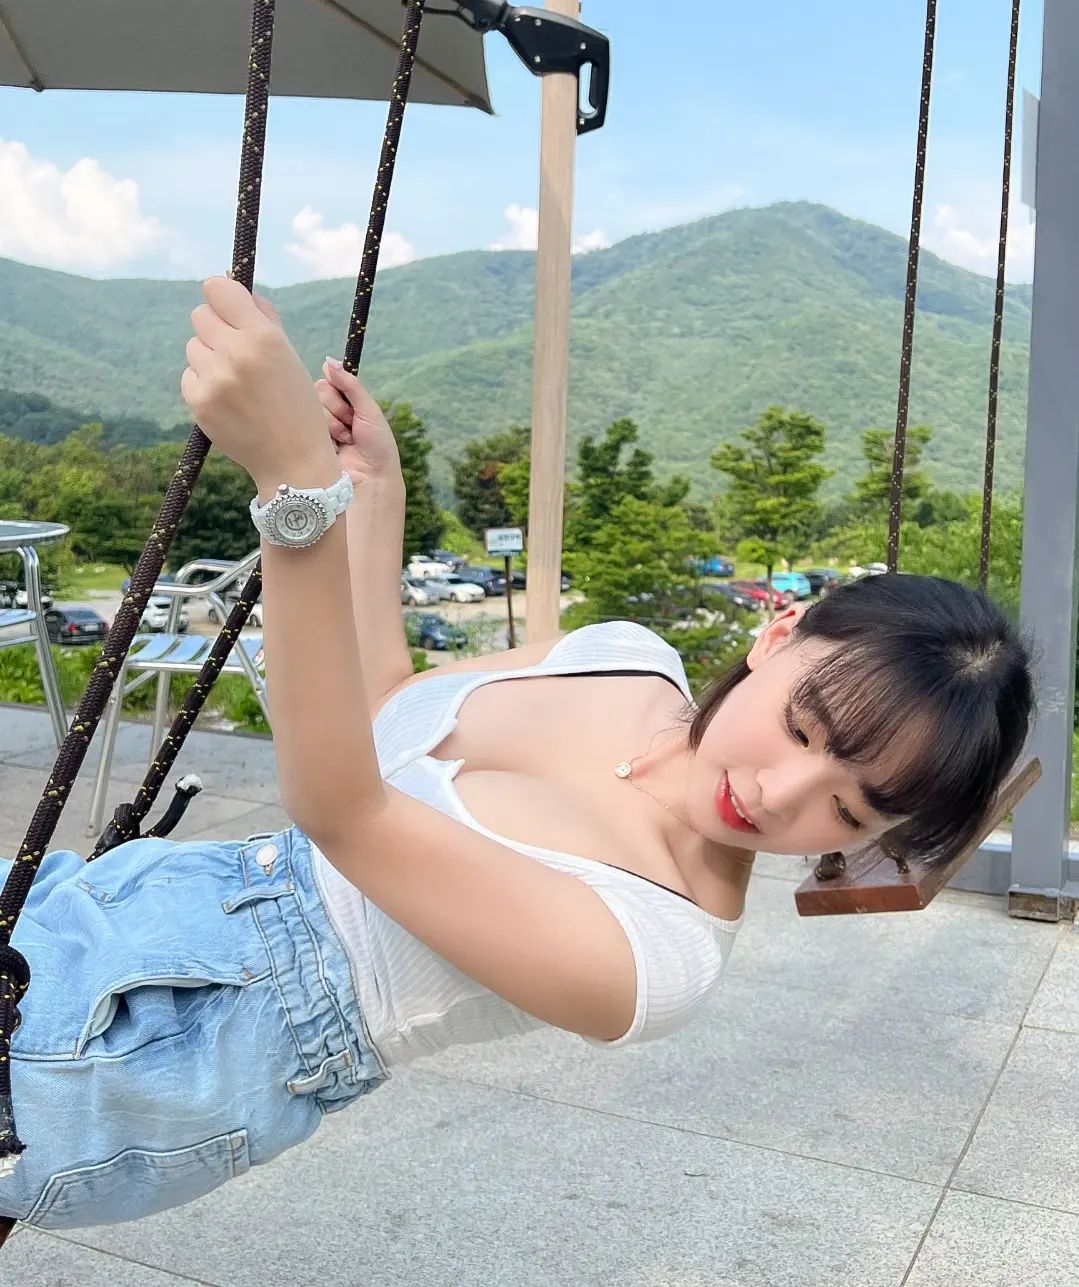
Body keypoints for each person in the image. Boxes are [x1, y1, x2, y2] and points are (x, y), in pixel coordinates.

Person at [0, 280, 1035, 1230]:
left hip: (157, 1047)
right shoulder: (623, 655)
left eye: (848, 813)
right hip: (110, 899)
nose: (778, 793)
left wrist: (295, 493)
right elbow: (385, 709)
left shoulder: (660, 953)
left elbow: (345, 811)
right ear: (778, 634)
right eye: (804, 728)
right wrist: (371, 490)